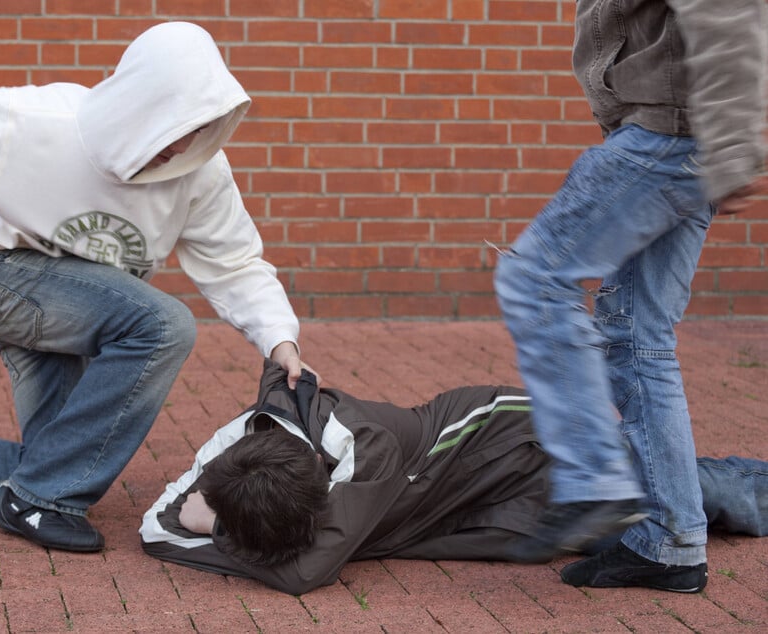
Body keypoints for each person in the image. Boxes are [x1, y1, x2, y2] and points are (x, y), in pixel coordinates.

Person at [0, 21, 314, 553]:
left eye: (196, 128)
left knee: (57, 459)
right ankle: (39, 501)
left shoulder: (200, 172)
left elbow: (234, 260)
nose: (180, 145)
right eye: (171, 127)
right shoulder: (39, 123)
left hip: (76, 302)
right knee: (163, 326)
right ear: (137, 105)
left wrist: (278, 339)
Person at [491, 0, 768, 586]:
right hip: (678, 136)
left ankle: (591, 481)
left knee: (533, 278)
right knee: (640, 338)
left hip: (666, 135)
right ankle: (669, 542)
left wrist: (736, 143)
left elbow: (726, 9)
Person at [139, 362, 767, 595]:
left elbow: (305, 571)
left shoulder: (363, 450)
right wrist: (224, 520)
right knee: (618, 539)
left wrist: (215, 530)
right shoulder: (233, 456)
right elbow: (151, 530)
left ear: (322, 487)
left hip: (515, 441)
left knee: (702, 499)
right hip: (456, 509)